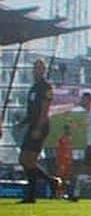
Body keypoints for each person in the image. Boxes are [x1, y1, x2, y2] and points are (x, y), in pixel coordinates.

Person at [19, 58, 63, 203]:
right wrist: (23, 122)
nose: (36, 71)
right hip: (32, 125)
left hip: (40, 125)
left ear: (43, 70)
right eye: (35, 68)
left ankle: (46, 185)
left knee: (28, 159)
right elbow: (31, 109)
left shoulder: (46, 87)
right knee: (25, 160)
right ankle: (47, 184)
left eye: (39, 68)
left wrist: (38, 128)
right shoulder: (34, 87)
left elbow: (44, 110)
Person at [55, 124, 74, 200]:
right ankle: (58, 193)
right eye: (67, 129)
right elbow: (59, 150)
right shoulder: (62, 139)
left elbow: (69, 151)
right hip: (62, 161)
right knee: (61, 177)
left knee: (66, 178)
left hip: (67, 162)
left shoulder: (70, 139)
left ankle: (64, 193)